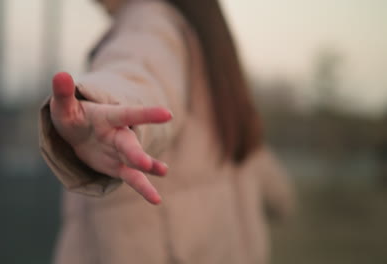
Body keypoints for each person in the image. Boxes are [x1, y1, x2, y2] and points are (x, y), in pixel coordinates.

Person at [38, 0, 294, 263]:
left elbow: (138, 68)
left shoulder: (147, 21)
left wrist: (102, 105)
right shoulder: (207, 48)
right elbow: (269, 180)